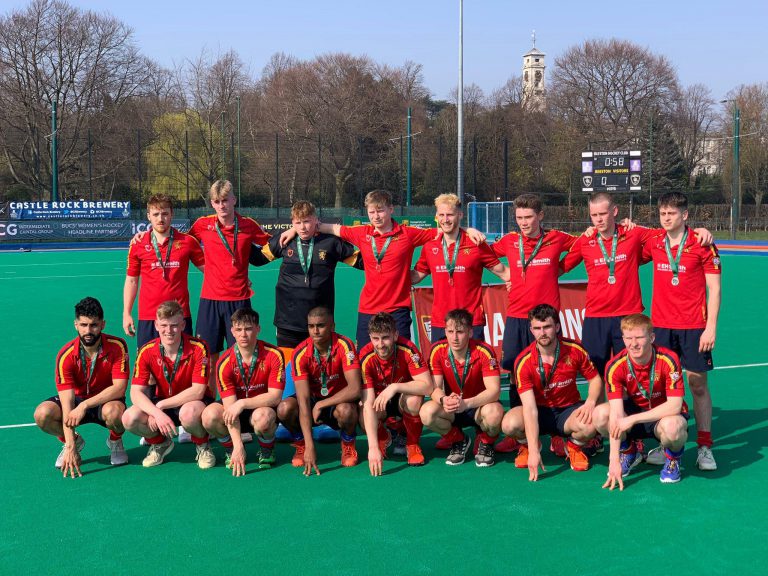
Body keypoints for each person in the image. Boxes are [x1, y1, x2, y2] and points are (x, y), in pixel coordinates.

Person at [280, 190, 485, 347]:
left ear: (391, 209)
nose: (376, 216)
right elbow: (327, 227)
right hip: (368, 308)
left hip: (398, 309)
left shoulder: (408, 234)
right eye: (371, 212)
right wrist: (293, 229)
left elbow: (444, 228)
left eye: (380, 210)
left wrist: (468, 228)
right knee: (364, 359)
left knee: (402, 360)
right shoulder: (362, 233)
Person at [491, 193, 577, 454]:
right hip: (517, 319)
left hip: (546, 321)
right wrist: (503, 272)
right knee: (517, 376)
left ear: (540, 216)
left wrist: (558, 268)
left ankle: (555, 432)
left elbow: (586, 245)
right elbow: (483, 254)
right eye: (519, 218)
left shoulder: (556, 238)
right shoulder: (509, 241)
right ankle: (522, 438)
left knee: (553, 372)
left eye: (528, 217)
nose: (524, 223)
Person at [641, 192, 721, 471]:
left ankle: (704, 447)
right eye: (662, 213)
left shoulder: (702, 244)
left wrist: (710, 327)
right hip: (661, 327)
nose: (665, 218)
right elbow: (624, 235)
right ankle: (667, 444)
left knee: (697, 385)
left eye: (671, 213)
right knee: (662, 387)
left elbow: (715, 288)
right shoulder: (653, 241)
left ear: (684, 215)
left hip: (694, 327)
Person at [501, 304, 603, 480]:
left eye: (547, 327)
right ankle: (527, 445)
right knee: (509, 424)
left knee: (591, 423)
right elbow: (530, 409)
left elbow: (595, 379)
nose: (543, 332)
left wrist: (591, 402)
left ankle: (574, 446)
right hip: (538, 411)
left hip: (567, 410)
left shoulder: (575, 350)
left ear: (556, 327)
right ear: (531, 330)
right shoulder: (523, 361)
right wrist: (533, 451)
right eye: (537, 328)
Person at [34, 297, 130, 477]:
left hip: (106, 400)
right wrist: (70, 446)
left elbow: (119, 388)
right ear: (75, 325)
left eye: (94, 325)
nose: (88, 330)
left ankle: (115, 440)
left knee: (116, 414)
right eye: (83, 325)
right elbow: (67, 403)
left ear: (103, 324)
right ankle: (74, 441)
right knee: (42, 414)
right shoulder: (66, 355)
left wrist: (84, 405)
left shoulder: (118, 346)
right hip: (76, 401)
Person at [249, 200, 362, 348]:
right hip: (288, 322)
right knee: (289, 368)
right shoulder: (285, 240)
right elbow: (259, 259)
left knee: (320, 367)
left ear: (316, 219)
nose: (302, 227)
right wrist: (240, 239)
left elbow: (360, 262)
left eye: (307, 221)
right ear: (292, 223)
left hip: (320, 322)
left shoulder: (331, 243)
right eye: (298, 223)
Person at [594, 314, 688, 488]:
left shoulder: (668, 359)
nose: (633, 343)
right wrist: (613, 459)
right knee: (600, 415)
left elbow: (675, 405)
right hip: (632, 413)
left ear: (651, 338)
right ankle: (628, 452)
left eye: (639, 337)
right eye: (628, 338)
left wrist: (633, 419)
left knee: (674, 429)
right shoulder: (615, 365)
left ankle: (673, 458)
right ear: (622, 338)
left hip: (662, 415)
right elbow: (615, 413)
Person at [122, 301, 215, 469]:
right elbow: (135, 393)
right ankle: (160, 443)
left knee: (188, 413)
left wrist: (161, 407)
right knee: (129, 418)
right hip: (161, 403)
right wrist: (156, 412)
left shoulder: (199, 347)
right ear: (156, 325)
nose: (169, 331)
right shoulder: (146, 351)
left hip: (191, 403)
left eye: (174, 325)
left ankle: (202, 445)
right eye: (163, 325)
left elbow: (198, 391)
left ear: (183, 325)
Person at [411, 193, 508, 342]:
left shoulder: (476, 244)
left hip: (470, 322)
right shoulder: (430, 247)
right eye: (441, 215)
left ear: (460, 215)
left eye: (450, 215)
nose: (445, 219)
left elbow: (504, 273)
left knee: (472, 365)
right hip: (440, 322)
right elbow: (415, 277)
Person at [277, 307, 362, 475]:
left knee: (347, 411)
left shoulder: (345, 345)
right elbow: (303, 400)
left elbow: (355, 389)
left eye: (320, 325)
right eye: (311, 326)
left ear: (332, 326)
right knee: (284, 409)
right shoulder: (300, 353)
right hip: (312, 401)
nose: (315, 331)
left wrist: (323, 403)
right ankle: (300, 443)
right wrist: (309, 446)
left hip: (339, 400)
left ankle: (347, 444)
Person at [202, 309, 286, 475]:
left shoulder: (274, 354)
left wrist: (243, 403)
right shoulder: (224, 362)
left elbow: (275, 397)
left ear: (258, 329)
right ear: (232, 331)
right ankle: (230, 450)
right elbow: (230, 408)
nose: (243, 334)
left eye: (248, 328)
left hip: (261, 407)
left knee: (263, 418)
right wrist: (238, 446)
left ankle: (266, 449)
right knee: (209, 416)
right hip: (234, 410)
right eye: (238, 330)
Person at [420, 309, 504, 467]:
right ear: (445, 331)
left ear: (470, 332)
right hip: (452, 407)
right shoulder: (437, 350)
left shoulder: (484, 351)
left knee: (495, 414)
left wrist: (467, 403)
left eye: (460, 332)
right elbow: (434, 388)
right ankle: (458, 440)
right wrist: (443, 399)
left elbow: (495, 391)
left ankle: (486, 443)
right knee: (426, 412)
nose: (454, 337)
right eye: (450, 331)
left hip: (479, 406)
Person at [123, 193, 205, 349]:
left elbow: (210, 271)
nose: (160, 218)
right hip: (149, 316)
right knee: (148, 367)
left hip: (179, 316)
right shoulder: (138, 244)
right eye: (155, 214)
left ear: (172, 214)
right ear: (148, 216)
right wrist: (126, 313)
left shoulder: (187, 242)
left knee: (182, 363)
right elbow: (132, 280)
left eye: (165, 213)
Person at [359, 312, 434, 475]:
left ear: (395, 335)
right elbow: (368, 404)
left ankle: (412, 444)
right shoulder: (365, 357)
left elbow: (428, 387)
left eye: (385, 337)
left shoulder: (408, 349)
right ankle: (382, 438)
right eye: (375, 338)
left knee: (414, 400)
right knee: (363, 412)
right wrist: (371, 448)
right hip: (380, 401)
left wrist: (394, 387)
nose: (380, 345)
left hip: (402, 397)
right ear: (370, 337)